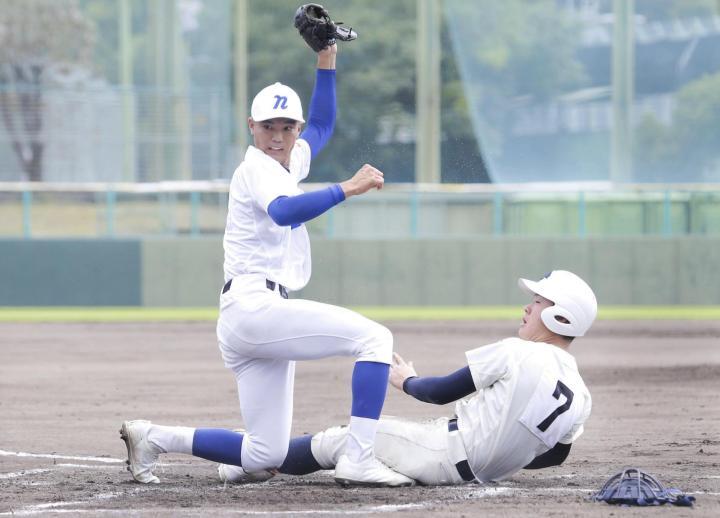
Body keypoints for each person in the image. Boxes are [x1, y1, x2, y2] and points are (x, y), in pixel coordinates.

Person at [120, 42, 413, 488]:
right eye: (268, 127)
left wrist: (326, 56)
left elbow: (323, 123)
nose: (278, 135)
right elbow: (283, 211)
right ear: (251, 127)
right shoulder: (257, 167)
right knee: (375, 338)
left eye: (286, 127)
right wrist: (348, 188)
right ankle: (359, 457)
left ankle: (153, 437)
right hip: (256, 307)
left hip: (250, 318)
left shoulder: (287, 161)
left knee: (264, 452)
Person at [218, 270, 597, 486]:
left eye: (539, 302)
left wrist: (407, 381)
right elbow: (554, 457)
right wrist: (503, 454)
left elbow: (443, 390)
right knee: (391, 444)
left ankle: (253, 459)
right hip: (474, 471)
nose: (528, 307)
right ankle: (265, 456)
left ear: (560, 317)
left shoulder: (518, 351)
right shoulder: (581, 394)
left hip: (445, 453)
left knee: (341, 441)